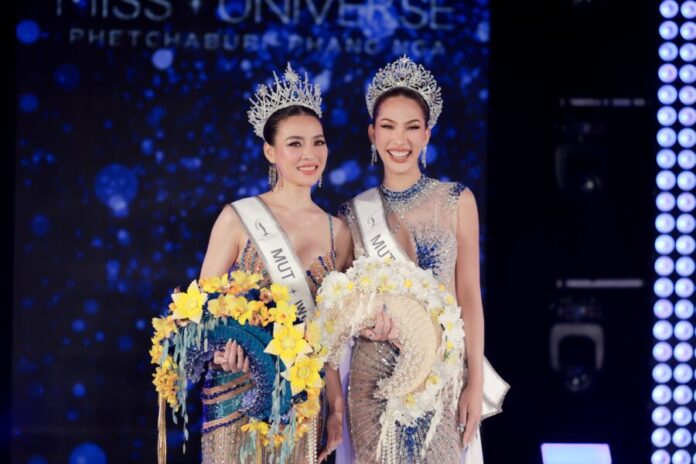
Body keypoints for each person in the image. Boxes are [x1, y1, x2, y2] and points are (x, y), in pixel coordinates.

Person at [334, 56, 495, 463]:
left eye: (411, 127)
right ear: (372, 133)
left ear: (427, 134)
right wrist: (364, 323)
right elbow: (341, 310)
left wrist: (475, 380)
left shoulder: (456, 200)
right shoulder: (353, 215)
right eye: (388, 127)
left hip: (442, 374)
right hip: (373, 380)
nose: (399, 140)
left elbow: (469, 297)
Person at [196, 63, 351, 463]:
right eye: (295, 144)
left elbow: (328, 336)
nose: (310, 154)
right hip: (236, 390)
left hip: (301, 401)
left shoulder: (338, 232)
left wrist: (336, 407)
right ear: (270, 151)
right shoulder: (238, 217)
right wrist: (220, 351)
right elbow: (198, 314)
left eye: (318, 142)